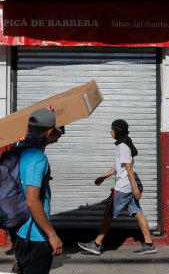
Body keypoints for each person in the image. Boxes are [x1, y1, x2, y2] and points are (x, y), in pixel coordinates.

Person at [78, 119, 157, 255]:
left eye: (112, 129)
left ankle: (96, 244)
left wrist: (135, 188)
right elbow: (118, 168)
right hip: (128, 188)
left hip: (122, 188)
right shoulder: (122, 145)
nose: (110, 131)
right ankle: (149, 244)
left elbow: (129, 169)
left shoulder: (123, 147)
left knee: (108, 215)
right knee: (138, 213)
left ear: (118, 131)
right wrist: (103, 176)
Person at [14, 108, 64, 274]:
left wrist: (45, 116)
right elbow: (32, 201)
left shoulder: (19, 148)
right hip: (36, 236)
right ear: (50, 131)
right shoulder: (38, 158)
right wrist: (51, 235)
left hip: (19, 233)